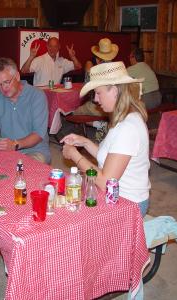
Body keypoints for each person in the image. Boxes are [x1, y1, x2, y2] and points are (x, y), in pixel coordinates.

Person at [61, 62, 150, 217]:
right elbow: (110, 157)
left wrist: (75, 156)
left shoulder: (127, 128)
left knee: (72, 211)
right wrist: (84, 142)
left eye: (98, 93)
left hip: (128, 204)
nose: (95, 99)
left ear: (114, 91)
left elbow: (104, 182)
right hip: (121, 197)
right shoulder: (125, 118)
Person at [0, 57, 51, 164]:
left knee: (22, 172)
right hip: (5, 151)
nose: (3, 88)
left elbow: (38, 135)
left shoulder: (36, 96)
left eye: (7, 82)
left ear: (17, 76)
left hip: (34, 151)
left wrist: (14, 144)